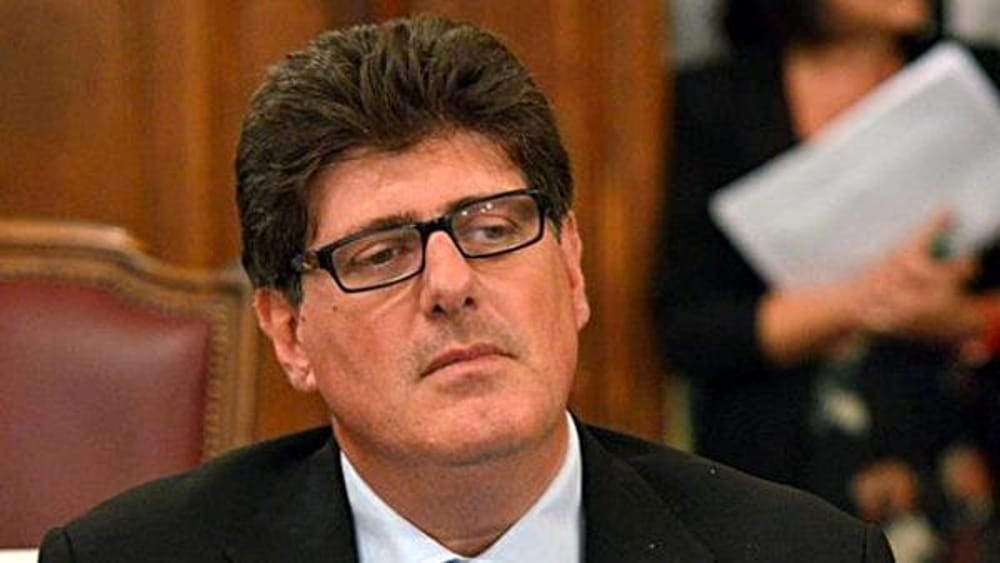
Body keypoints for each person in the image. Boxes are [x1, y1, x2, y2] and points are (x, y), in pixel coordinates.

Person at [39, 15, 894, 562]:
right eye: (380, 254)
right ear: (290, 332)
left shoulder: (803, 554)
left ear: (571, 269)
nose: (451, 284)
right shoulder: (125, 558)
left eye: (493, 230)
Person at [653, 0, 1000, 559]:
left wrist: (956, 318)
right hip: (776, 470)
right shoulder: (716, 101)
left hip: (949, 463)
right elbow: (689, 327)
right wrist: (866, 300)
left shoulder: (976, 77)